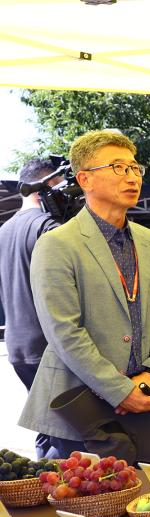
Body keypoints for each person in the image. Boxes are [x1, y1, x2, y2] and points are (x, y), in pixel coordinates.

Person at [19, 130, 150, 458]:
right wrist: (120, 390)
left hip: (146, 396)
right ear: (85, 180)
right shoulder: (57, 244)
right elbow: (64, 331)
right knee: (93, 501)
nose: (132, 176)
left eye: (135, 168)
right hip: (82, 406)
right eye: (119, 168)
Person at [1, 159, 60, 392]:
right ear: (45, 188)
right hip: (50, 348)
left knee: (51, 421)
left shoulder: (3, 231)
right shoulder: (49, 228)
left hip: (18, 348)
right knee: (77, 426)